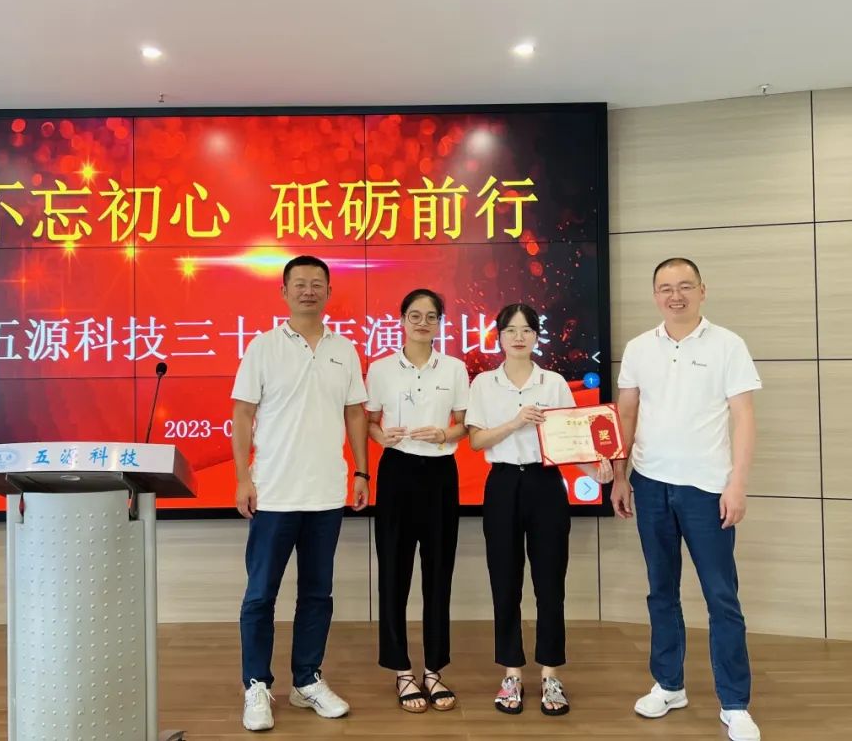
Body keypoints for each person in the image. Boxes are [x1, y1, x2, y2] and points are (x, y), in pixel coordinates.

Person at [612, 257, 762, 741]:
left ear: (702, 290)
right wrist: (620, 474)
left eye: (684, 286)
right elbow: (625, 415)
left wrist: (737, 483)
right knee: (661, 591)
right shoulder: (639, 348)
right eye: (665, 288)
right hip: (650, 483)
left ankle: (735, 703)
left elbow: (744, 417)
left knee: (722, 596)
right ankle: (669, 684)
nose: (674, 296)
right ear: (655, 294)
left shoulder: (727, 344)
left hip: (707, 488)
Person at [231, 255, 370, 732]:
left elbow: (355, 413)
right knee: (260, 595)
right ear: (284, 291)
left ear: (329, 291)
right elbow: (243, 414)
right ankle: (256, 685)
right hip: (274, 493)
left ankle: (307, 680)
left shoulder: (344, 349)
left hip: (326, 494)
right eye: (300, 284)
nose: (308, 291)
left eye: (317, 284)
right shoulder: (263, 347)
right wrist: (243, 478)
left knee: (317, 594)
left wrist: (361, 472)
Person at [465, 303, 612, 717]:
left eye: (526, 330)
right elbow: (476, 441)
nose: (518, 337)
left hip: (546, 485)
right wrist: (515, 422)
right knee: (505, 581)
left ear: (536, 336)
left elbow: (570, 441)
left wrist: (597, 469)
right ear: (498, 336)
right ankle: (511, 672)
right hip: (502, 484)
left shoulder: (554, 383)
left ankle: (550, 673)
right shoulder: (484, 384)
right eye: (510, 330)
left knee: (550, 583)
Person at [365, 288, 470, 713]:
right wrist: (380, 437)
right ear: (402, 320)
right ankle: (401, 670)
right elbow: (369, 421)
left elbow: (464, 425)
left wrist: (445, 434)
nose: (422, 323)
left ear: (440, 323)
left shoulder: (456, 369)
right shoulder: (381, 369)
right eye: (415, 315)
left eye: (430, 316)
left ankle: (434, 669)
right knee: (394, 571)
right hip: (397, 470)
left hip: (441, 473)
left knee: (438, 573)